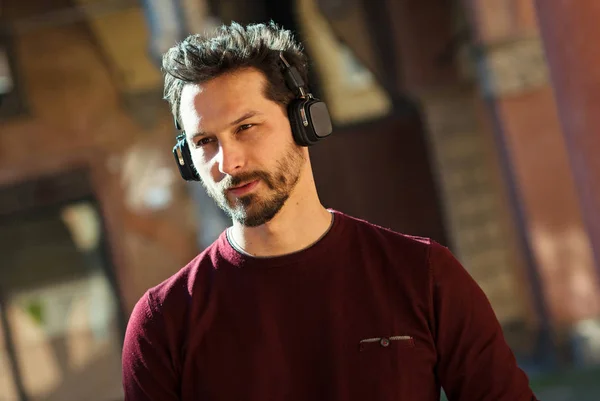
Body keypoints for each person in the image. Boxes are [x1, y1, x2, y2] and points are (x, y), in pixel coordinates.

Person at [122, 21, 539, 401]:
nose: (227, 162)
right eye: (204, 142)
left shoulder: (423, 275)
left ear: (305, 120)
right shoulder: (162, 324)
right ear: (186, 160)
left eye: (246, 127)